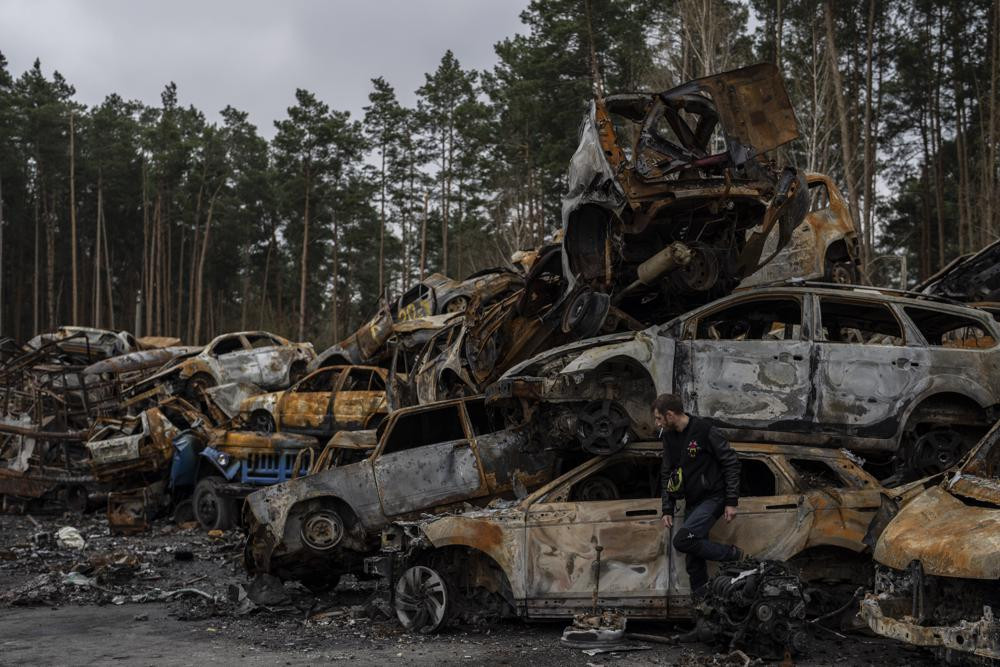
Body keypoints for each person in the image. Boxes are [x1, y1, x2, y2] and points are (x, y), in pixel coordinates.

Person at [654, 393, 743, 596]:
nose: (656, 423)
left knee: (682, 541)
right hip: (692, 501)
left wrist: (731, 501)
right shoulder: (668, 437)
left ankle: (732, 554)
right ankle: (703, 611)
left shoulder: (705, 430)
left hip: (714, 497)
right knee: (693, 563)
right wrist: (667, 507)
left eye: (659, 418)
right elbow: (667, 472)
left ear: (669, 415)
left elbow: (731, 462)